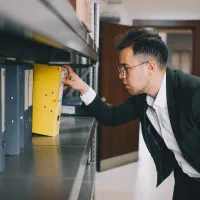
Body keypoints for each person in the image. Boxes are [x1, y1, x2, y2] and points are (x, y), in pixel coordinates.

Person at [62, 28, 200, 200]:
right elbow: (111, 116)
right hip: (185, 180)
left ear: (150, 67)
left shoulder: (193, 92)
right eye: (120, 69)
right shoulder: (142, 98)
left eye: (126, 68)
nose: (121, 76)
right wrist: (82, 86)